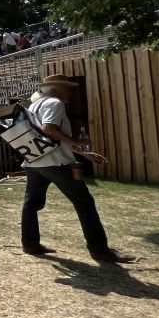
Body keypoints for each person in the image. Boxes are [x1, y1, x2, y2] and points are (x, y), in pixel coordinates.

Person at [18, 75, 134, 262]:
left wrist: (85, 154)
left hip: (34, 162)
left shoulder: (34, 106)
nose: (70, 92)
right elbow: (48, 129)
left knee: (31, 204)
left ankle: (30, 244)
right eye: (67, 88)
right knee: (85, 203)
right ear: (55, 89)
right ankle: (100, 250)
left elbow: (51, 137)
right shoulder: (55, 103)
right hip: (57, 163)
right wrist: (76, 143)